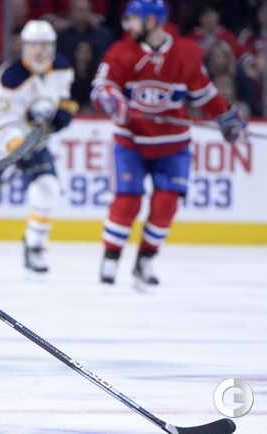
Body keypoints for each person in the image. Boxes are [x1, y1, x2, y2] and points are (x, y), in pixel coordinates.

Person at [90, 0, 247, 288]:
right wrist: (112, 99)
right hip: (132, 142)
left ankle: (145, 261)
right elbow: (101, 86)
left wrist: (226, 116)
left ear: (151, 21)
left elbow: (204, 94)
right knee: (127, 201)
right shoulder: (121, 51)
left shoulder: (186, 52)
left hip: (173, 146)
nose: (129, 25)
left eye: (134, 19)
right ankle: (111, 259)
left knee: (166, 203)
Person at [0, 20, 78, 274]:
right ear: (24, 46)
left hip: (34, 144)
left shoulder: (62, 67)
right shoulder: (11, 77)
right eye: (34, 44)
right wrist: (16, 145)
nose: (39, 50)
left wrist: (65, 109)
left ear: (52, 46)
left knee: (48, 188)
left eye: (44, 45)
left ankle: (34, 246)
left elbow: (64, 95)